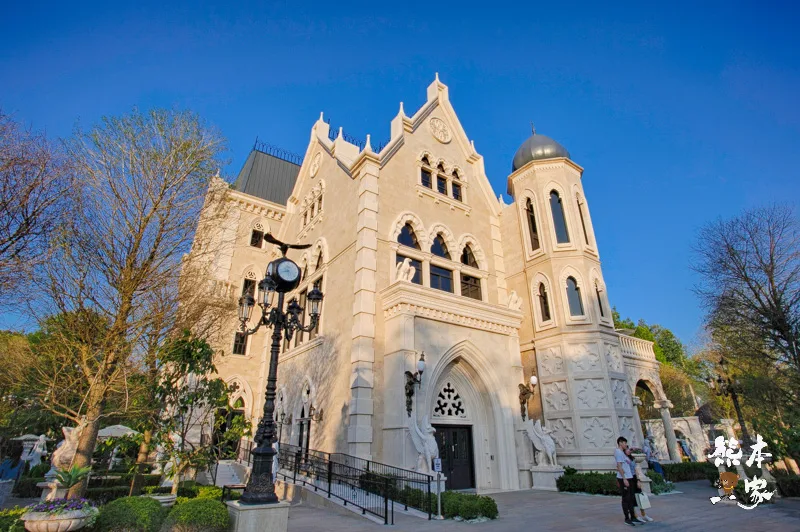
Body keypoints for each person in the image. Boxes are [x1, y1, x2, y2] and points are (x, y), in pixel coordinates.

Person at [625, 447, 654, 523]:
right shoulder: (624, 459)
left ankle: (644, 514)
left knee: (640, 497)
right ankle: (635, 515)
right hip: (629, 478)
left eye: (629, 449)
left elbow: (636, 470)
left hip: (634, 478)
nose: (629, 450)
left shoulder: (632, 459)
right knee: (632, 498)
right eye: (627, 449)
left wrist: (638, 480)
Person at [615, 436, 637, 527]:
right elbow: (619, 466)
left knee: (631, 497)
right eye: (624, 443)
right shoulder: (618, 452)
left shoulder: (623, 453)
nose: (626, 445)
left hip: (629, 477)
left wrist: (630, 451)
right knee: (626, 498)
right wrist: (624, 479)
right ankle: (627, 518)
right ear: (620, 443)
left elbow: (627, 461)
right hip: (623, 478)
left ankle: (633, 516)